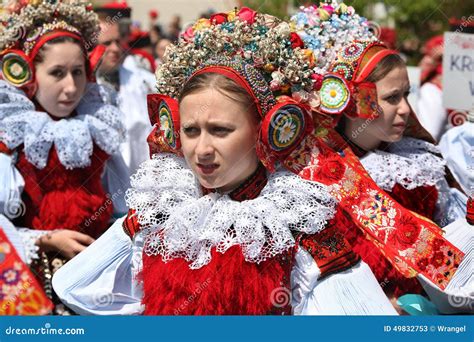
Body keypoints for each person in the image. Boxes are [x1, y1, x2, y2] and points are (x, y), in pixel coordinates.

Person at [53, 7, 400, 316]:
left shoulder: (293, 226)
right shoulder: (158, 213)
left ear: (264, 133)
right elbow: (76, 287)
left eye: (220, 130)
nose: (202, 148)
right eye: (191, 130)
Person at [292, 2, 472, 314]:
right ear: (353, 102)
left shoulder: (419, 164)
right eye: (391, 98)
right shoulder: (314, 177)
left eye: (406, 94)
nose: (405, 108)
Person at [0, 0, 124, 314]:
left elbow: (121, 204)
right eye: (57, 73)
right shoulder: (12, 136)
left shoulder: (95, 129)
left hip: (94, 281)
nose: (71, 87)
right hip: (29, 285)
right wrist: (45, 239)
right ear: (29, 75)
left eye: (78, 72)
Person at [95, 3, 156, 178]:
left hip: (142, 186)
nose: (115, 48)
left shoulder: (145, 82)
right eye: (106, 43)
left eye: (117, 41)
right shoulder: (82, 89)